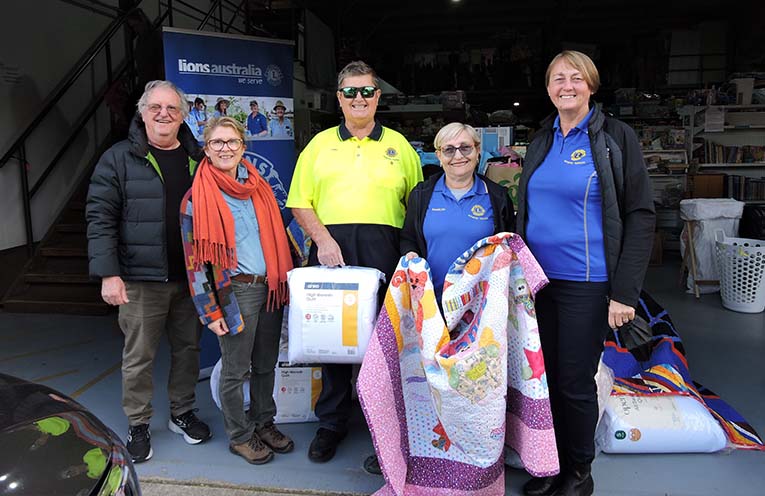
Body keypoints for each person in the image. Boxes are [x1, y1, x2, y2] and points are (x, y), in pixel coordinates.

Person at [515, 50, 655, 496]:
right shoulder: (541, 140)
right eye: (558, 79)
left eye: (576, 78)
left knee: (574, 380)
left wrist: (625, 294)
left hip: (587, 283)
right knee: (545, 377)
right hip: (538, 283)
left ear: (591, 86)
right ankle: (550, 463)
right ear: (548, 88)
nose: (567, 86)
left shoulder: (615, 138)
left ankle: (579, 469)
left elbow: (640, 215)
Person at [286, 60, 422, 467]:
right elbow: (298, 201)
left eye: (367, 91)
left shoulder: (400, 146)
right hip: (332, 255)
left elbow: (415, 207)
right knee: (333, 341)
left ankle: (384, 423)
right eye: (350, 92)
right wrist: (323, 239)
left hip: (385, 253)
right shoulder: (319, 145)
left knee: (385, 343)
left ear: (378, 97)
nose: (359, 99)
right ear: (339, 98)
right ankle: (332, 423)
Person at [86, 80, 212, 464]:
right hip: (140, 280)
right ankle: (138, 423)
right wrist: (109, 273)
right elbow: (100, 218)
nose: (164, 114)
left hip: (191, 278)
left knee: (188, 349)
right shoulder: (118, 158)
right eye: (155, 107)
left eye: (173, 108)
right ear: (142, 113)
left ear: (184, 115)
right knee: (138, 356)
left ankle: (181, 412)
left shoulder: (199, 158)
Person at [180, 116, 294, 464]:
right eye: (217, 143)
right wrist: (209, 311)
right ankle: (240, 435)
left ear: (243, 146)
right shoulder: (195, 198)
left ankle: (263, 422)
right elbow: (195, 262)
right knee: (235, 370)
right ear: (206, 149)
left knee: (265, 364)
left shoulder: (258, 187)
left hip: (270, 289)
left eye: (232, 142)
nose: (225, 148)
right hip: (236, 294)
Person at [400, 122, 515, 303]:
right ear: (438, 155)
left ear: (478, 151)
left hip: (481, 304)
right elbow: (408, 237)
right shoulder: (422, 194)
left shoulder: (496, 196)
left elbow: (509, 245)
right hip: (431, 303)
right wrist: (411, 254)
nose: (458, 156)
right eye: (449, 150)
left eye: (465, 148)